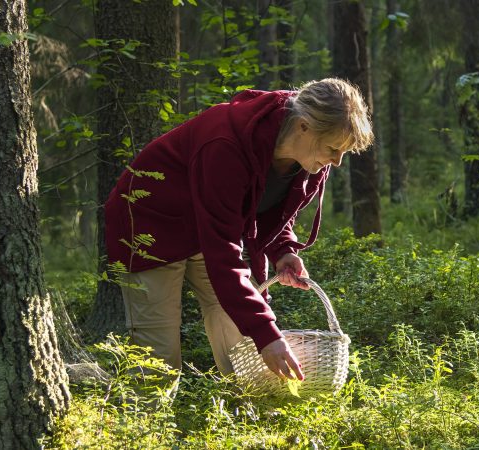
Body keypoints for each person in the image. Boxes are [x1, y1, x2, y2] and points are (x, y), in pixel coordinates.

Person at [103, 78, 373, 384]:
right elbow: (223, 254)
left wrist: (283, 248)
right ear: (303, 127)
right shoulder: (226, 144)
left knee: (241, 338)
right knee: (159, 356)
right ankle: (145, 426)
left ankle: (244, 420)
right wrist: (265, 333)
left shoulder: (310, 156)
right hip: (151, 223)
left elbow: (273, 207)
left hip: (211, 227)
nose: (336, 161)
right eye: (333, 149)